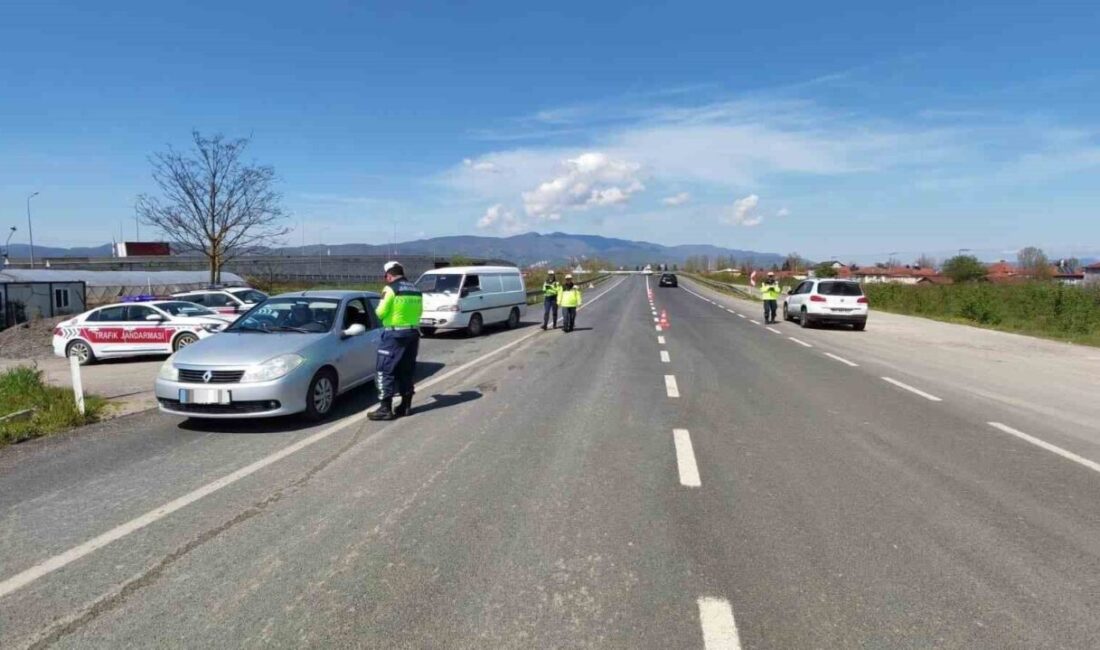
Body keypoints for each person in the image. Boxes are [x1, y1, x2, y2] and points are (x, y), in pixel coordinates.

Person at [368, 261, 423, 421]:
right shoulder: (415, 289)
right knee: (406, 370)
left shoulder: (391, 288)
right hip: (413, 333)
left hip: (394, 335)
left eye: (385, 277)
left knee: (384, 370)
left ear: (389, 275)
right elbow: (420, 311)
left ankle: (385, 409)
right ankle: (405, 406)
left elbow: (380, 312)